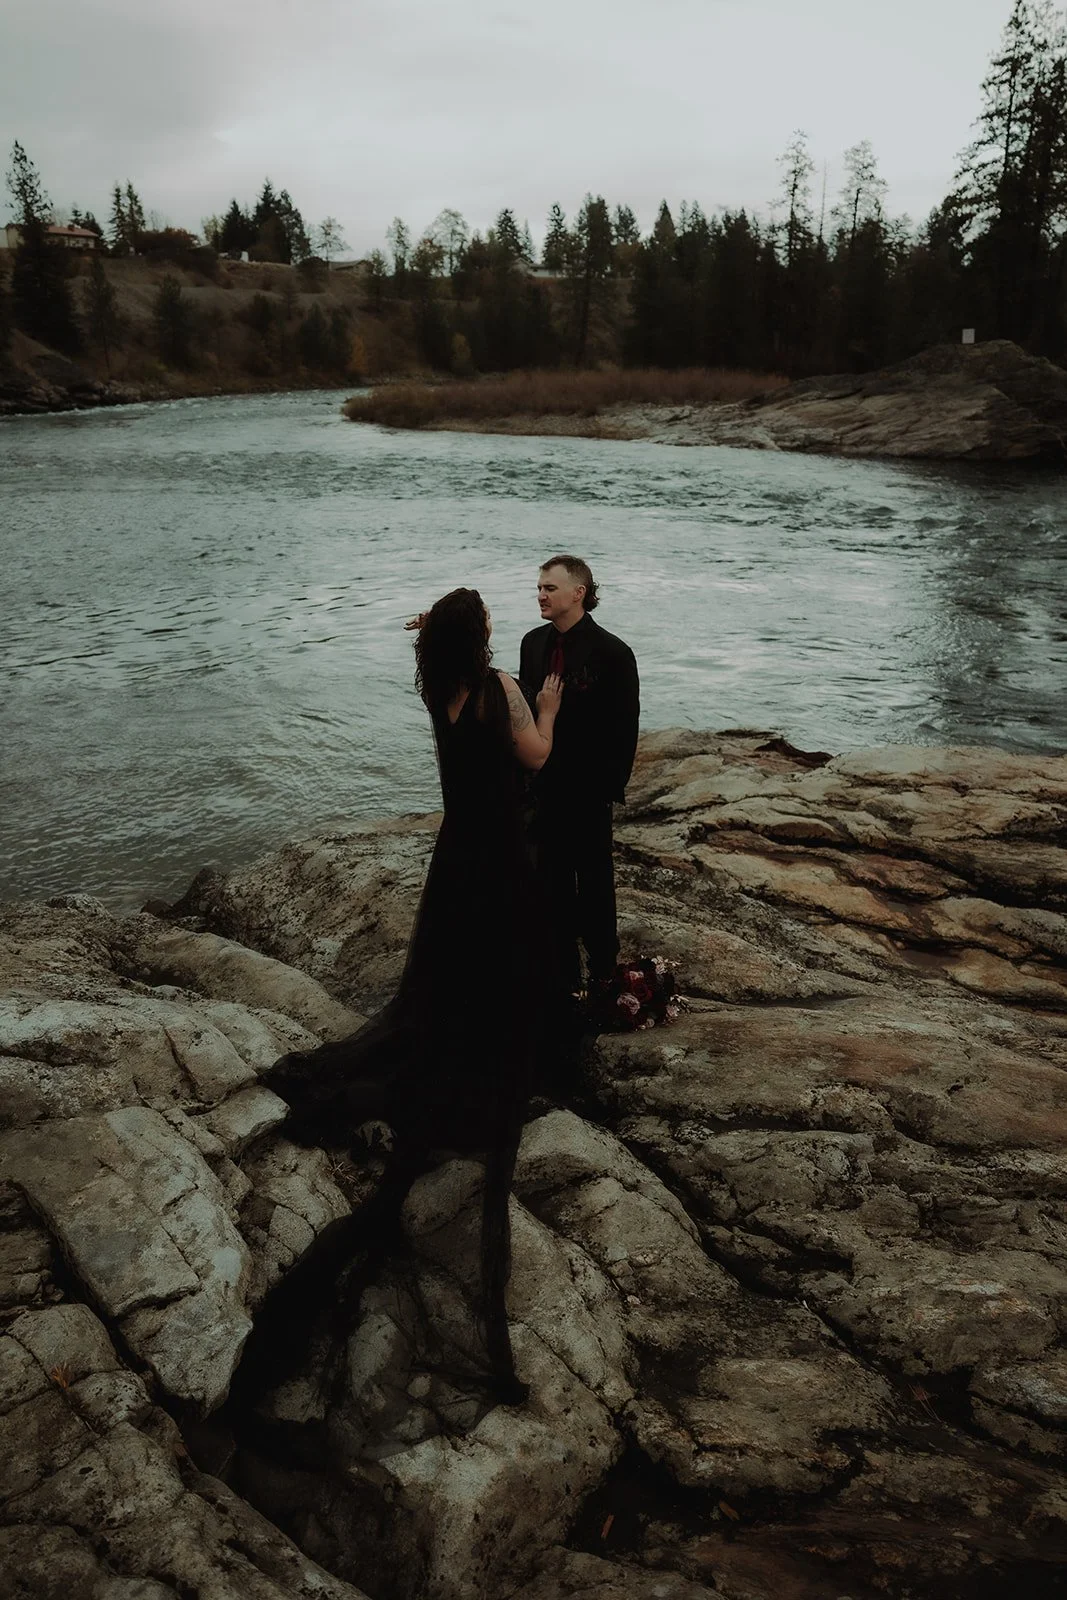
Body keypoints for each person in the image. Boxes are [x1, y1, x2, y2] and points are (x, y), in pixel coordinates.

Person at [262, 588, 563, 1405]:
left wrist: (437, 630)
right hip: (498, 851)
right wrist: (547, 707)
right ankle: (495, 1063)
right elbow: (535, 758)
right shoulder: (500, 689)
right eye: (488, 622)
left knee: (449, 969)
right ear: (481, 638)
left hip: (454, 853)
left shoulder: (439, 689)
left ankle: (457, 1044)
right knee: (506, 959)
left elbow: (450, 657)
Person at [519, 556, 640, 999]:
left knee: (594, 885)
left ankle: (604, 971)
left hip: (589, 793)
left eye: (549, 588)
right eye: (539, 587)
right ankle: (562, 974)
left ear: (579, 593)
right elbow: (524, 712)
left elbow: (625, 728)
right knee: (549, 882)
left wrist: (605, 789)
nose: (541, 595)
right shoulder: (532, 643)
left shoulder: (613, 653)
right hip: (541, 787)